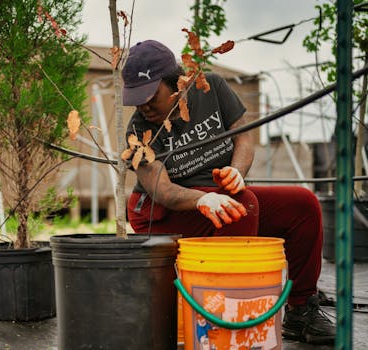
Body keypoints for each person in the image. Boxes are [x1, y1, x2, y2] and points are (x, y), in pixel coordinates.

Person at [121, 40, 335, 345]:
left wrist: (237, 171)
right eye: (136, 98)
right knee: (241, 205)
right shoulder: (137, 131)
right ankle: (231, 324)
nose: (143, 105)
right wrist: (202, 198)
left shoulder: (212, 88)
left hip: (222, 193)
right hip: (163, 213)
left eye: (150, 96)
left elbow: (244, 138)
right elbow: (164, 191)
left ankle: (301, 312)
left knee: (303, 204)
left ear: (176, 83)